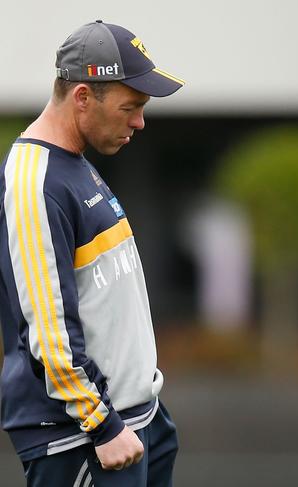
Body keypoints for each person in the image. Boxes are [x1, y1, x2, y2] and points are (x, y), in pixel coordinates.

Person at [0, 20, 184, 486]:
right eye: (131, 107)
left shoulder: (75, 164)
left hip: (133, 419)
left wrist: (147, 406)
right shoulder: (35, 181)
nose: (139, 122)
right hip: (85, 436)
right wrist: (102, 424)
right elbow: (49, 329)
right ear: (83, 97)